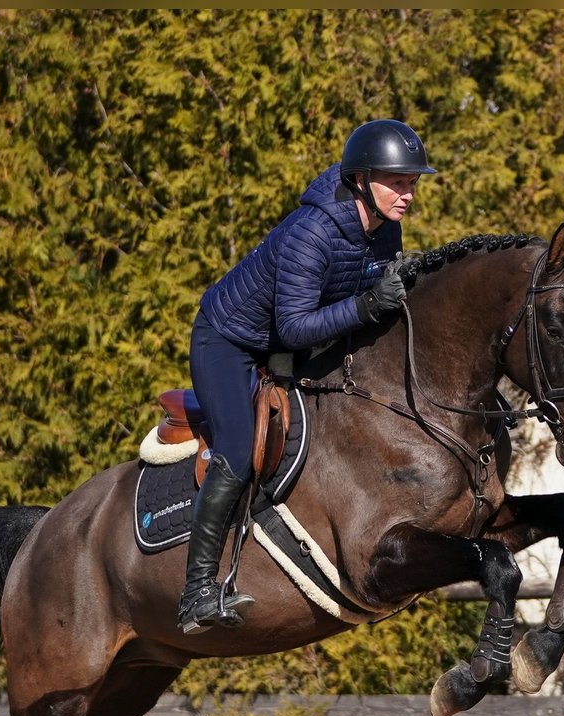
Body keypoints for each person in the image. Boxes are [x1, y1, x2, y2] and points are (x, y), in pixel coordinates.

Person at [179, 119, 436, 635]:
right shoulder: (311, 232)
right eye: (398, 182)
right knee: (235, 446)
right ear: (362, 180)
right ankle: (197, 592)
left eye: (412, 183)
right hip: (229, 342)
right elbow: (294, 325)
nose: (408, 194)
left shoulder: (387, 227)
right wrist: (367, 305)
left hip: (288, 346)